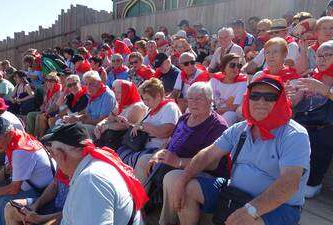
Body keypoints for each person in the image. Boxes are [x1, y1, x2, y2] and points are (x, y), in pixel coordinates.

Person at [169, 74, 310, 225]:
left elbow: (289, 183)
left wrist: (250, 209)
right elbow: (207, 154)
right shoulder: (240, 129)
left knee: (246, 221)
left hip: (280, 206)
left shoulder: (294, 135)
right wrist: (183, 179)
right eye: (255, 96)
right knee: (187, 186)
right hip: (235, 193)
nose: (261, 101)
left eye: (270, 97)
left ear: (281, 100)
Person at [152, 82, 230, 225]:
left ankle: (166, 222)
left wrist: (178, 161)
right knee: (146, 161)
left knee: (172, 177)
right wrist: (160, 153)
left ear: (210, 101)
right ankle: (141, 208)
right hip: (176, 162)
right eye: (190, 98)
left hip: (208, 174)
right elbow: (171, 143)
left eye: (199, 98)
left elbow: (212, 164)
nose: (193, 103)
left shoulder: (218, 126)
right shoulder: (184, 118)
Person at [41, 123, 147, 225]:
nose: (52, 158)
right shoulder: (91, 166)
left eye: (52, 153)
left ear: (62, 155)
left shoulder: (90, 180)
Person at [288, 41, 333, 198]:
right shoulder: (311, 75)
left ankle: (313, 182)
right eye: (319, 55)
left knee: (322, 137)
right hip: (303, 122)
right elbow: (295, 102)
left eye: (328, 55)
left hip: (325, 126)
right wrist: (287, 95)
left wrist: (325, 90)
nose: (322, 59)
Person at [117, 78, 181, 168]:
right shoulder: (151, 109)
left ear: (158, 96)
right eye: (144, 100)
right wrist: (128, 124)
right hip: (144, 146)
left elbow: (165, 132)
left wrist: (143, 126)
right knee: (119, 151)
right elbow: (141, 128)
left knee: (130, 158)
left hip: (157, 149)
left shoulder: (170, 107)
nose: (145, 103)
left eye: (148, 99)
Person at [94, 80, 147, 149]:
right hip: (114, 139)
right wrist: (100, 125)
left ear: (128, 92)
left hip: (128, 142)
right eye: (115, 92)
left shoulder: (137, 107)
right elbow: (109, 118)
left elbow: (126, 126)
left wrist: (107, 126)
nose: (116, 95)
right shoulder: (119, 104)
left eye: (119, 92)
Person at [4, 169, 69, 225]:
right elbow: (54, 185)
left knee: (3, 200)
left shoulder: (78, 179)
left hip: (65, 216)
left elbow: (71, 215)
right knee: (10, 208)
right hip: (53, 205)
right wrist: (35, 206)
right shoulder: (63, 163)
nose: (51, 156)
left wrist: (38, 219)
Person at [63, 71, 116, 138]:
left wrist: (81, 120)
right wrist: (77, 118)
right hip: (90, 124)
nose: (88, 87)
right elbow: (87, 114)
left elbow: (102, 120)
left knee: (74, 131)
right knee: (64, 127)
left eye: (91, 84)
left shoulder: (107, 96)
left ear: (99, 83)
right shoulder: (91, 94)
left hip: (100, 128)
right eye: (86, 84)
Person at [210, 53, 247, 126]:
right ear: (224, 67)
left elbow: (234, 107)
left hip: (229, 112)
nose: (236, 68)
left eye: (239, 66)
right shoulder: (215, 78)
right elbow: (208, 97)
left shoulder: (242, 82)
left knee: (230, 115)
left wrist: (216, 111)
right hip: (213, 109)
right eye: (232, 65)